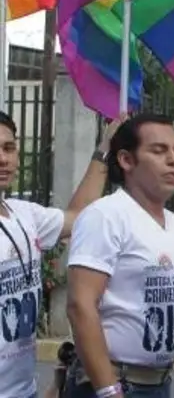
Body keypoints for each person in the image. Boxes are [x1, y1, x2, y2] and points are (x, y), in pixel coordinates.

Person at [64, 114, 174, 398]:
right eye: (159, 151)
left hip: (159, 383)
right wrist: (108, 389)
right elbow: (81, 305)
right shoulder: (105, 216)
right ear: (126, 160)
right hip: (115, 383)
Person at [0, 110, 115, 398]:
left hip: (23, 389)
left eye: (9, 148)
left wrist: (104, 151)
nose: (3, 159)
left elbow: (78, 216)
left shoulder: (24, 215)